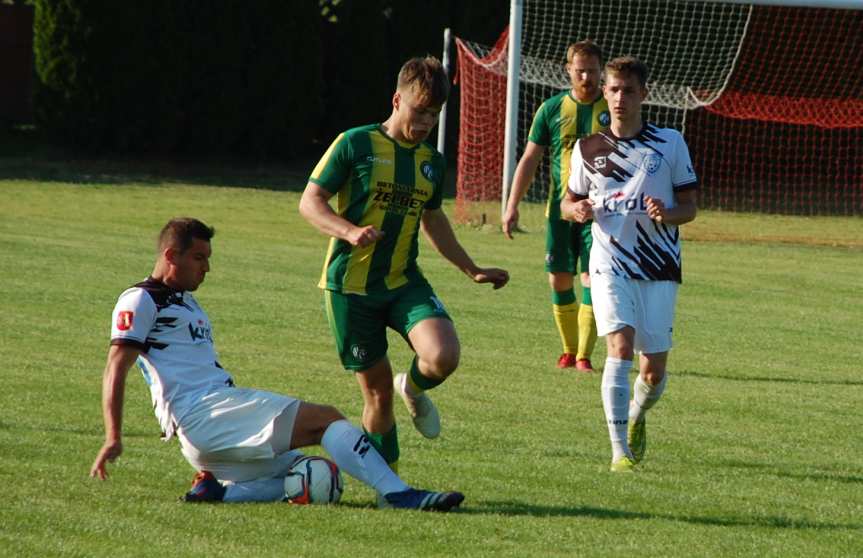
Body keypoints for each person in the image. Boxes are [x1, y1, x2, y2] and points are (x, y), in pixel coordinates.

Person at [90, 217, 464, 511]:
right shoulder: (140, 300)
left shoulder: (186, 302)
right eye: (198, 258)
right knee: (327, 419)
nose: (206, 268)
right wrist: (113, 436)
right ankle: (400, 494)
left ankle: (217, 492)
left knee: (313, 472)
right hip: (202, 414)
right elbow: (115, 368)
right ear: (171, 256)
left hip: (206, 435)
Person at [299, 56, 509, 480]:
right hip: (350, 288)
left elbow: (433, 220)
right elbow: (310, 202)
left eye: (435, 113)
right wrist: (349, 231)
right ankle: (388, 484)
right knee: (376, 394)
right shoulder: (354, 143)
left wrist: (472, 269)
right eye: (420, 110)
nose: (427, 121)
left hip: (402, 281)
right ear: (397, 100)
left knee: (443, 356)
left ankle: (411, 386)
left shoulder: (431, 161)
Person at [560, 57, 698, 472]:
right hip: (610, 262)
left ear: (644, 95)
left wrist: (666, 213)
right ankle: (619, 451)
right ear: (604, 91)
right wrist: (577, 210)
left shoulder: (669, 143)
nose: (621, 98)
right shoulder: (588, 148)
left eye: (629, 91)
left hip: (659, 266)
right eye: (614, 89)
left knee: (653, 372)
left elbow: (690, 207)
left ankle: (637, 414)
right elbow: (567, 203)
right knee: (618, 348)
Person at [502, 40, 610, 372]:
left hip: (600, 214)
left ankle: (584, 358)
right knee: (559, 280)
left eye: (593, 70)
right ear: (568, 70)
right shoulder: (551, 109)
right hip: (559, 211)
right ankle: (568, 349)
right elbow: (530, 158)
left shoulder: (613, 108)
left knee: (592, 278)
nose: (587, 77)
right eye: (581, 70)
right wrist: (512, 205)